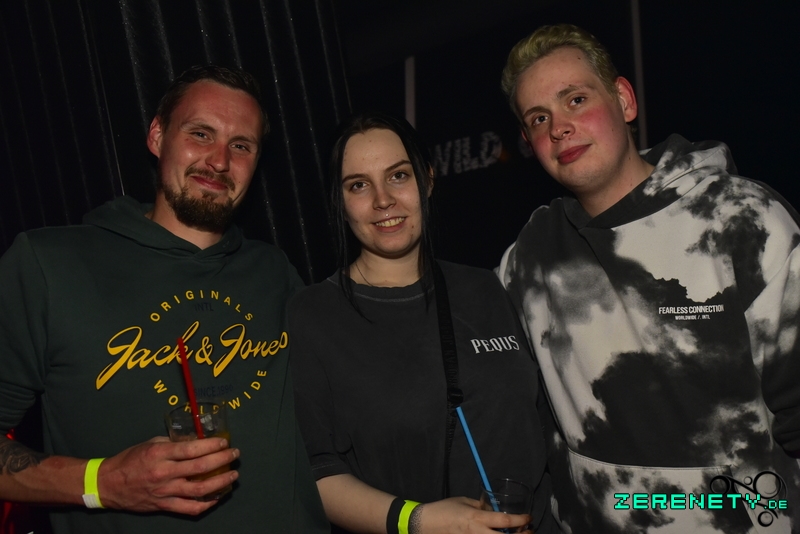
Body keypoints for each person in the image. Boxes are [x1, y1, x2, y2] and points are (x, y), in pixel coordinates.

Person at [497, 23, 800, 533]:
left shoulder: (744, 221)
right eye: (539, 118)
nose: (560, 127)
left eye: (575, 99)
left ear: (624, 100)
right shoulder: (527, 260)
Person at [0, 65, 329, 533]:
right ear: (157, 136)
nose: (219, 161)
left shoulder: (275, 272)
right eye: (201, 134)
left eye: (241, 145)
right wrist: (103, 482)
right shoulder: (48, 264)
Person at [289, 112, 558, 534]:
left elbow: (540, 424)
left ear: (427, 180)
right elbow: (314, 470)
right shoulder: (313, 315)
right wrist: (418, 520)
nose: (383, 200)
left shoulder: (485, 287)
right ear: (339, 203)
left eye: (398, 176)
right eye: (358, 185)